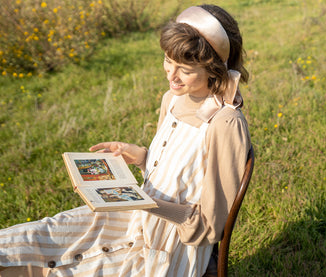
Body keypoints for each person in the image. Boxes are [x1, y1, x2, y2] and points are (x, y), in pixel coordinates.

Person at [0, 4, 251, 276]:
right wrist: (142, 157)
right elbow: (178, 173)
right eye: (168, 61)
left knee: (61, 271)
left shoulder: (225, 124)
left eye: (185, 70)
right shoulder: (172, 99)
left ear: (214, 69)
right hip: (135, 217)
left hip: (168, 249)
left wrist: (145, 203)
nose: (171, 75)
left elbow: (208, 226)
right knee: (28, 238)